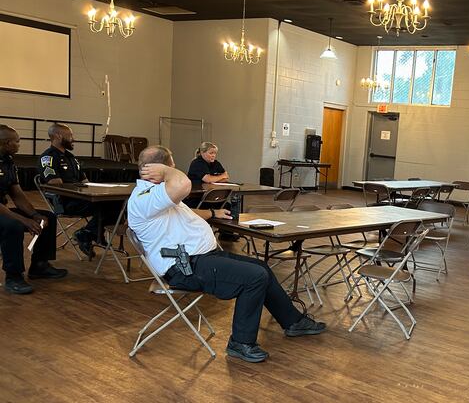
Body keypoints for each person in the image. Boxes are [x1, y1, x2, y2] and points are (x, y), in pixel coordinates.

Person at [127, 145, 325, 363]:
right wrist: (167, 171)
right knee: (254, 277)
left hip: (201, 258)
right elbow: (182, 183)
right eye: (172, 165)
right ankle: (240, 343)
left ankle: (293, 322)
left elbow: (185, 210)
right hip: (184, 267)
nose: (176, 169)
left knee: (262, 269)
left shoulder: (159, 196)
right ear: (160, 168)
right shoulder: (145, 197)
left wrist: (213, 212)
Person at [37, 123, 122, 258]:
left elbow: (85, 181)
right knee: (108, 205)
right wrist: (78, 187)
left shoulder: (71, 158)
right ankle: (91, 233)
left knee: (119, 202)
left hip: (83, 199)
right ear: (58, 136)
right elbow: (53, 182)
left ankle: (88, 233)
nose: (73, 139)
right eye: (70, 136)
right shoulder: (48, 157)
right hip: (65, 202)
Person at [0, 125, 67, 294]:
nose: (19, 144)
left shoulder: (8, 161)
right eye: (17, 141)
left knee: (48, 217)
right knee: (12, 225)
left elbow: (17, 194)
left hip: (2, 210)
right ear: (7, 143)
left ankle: (39, 266)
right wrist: (23, 220)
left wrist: (35, 215)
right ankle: (13, 276)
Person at [185, 142, 240, 240]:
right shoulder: (197, 163)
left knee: (228, 207)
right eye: (211, 153)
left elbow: (226, 178)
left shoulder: (216, 163)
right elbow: (208, 179)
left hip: (211, 196)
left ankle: (226, 234)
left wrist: (217, 177)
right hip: (196, 198)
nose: (213, 155)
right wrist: (220, 177)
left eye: (215, 153)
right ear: (202, 152)